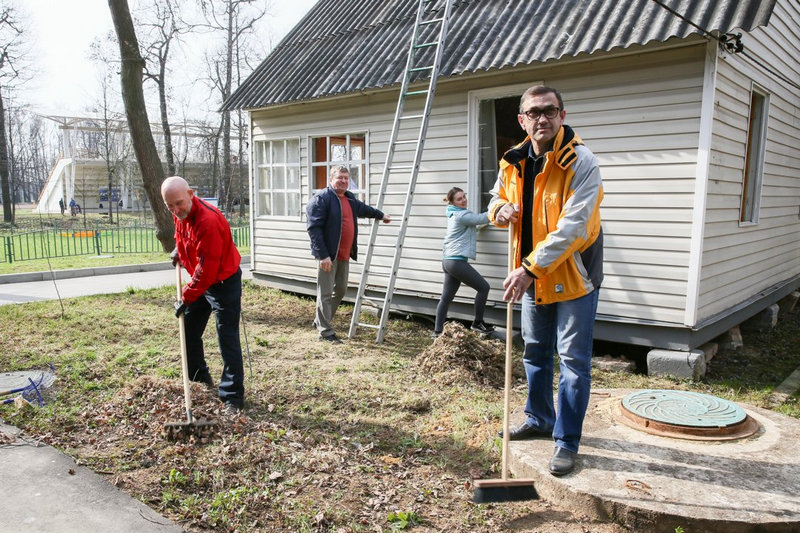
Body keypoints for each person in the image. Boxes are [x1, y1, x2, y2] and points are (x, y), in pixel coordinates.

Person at [489, 85, 603, 476]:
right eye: (534, 112)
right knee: (535, 352)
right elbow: (494, 198)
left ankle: (566, 442)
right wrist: (500, 209)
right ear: (522, 120)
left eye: (549, 111)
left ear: (562, 115)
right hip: (533, 278)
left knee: (573, 361)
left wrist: (528, 269)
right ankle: (539, 418)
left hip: (573, 279)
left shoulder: (580, 161)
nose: (542, 119)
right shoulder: (513, 161)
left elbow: (573, 228)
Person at [161, 176, 245, 414]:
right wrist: (179, 249)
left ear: (191, 193)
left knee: (226, 339)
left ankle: (232, 397)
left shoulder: (208, 220)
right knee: (188, 330)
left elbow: (207, 270)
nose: (175, 210)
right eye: (170, 206)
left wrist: (185, 297)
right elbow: (183, 232)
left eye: (179, 203)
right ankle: (199, 380)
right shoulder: (180, 211)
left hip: (223, 282)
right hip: (203, 282)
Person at [306, 165, 391, 343]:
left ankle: (321, 320)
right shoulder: (322, 198)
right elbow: (314, 229)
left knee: (341, 290)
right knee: (326, 293)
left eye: (346, 178)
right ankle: (325, 332)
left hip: (344, 254)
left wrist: (380, 215)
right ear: (331, 179)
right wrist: (323, 255)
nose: (344, 181)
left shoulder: (349, 198)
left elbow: (363, 209)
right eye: (340, 178)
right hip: (328, 255)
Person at [433, 187, 494, 337]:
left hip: (448, 261)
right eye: (459, 199)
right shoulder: (462, 215)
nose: (463, 200)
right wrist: (498, 209)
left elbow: (475, 225)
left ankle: (437, 332)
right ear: (453, 202)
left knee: (446, 298)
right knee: (483, 288)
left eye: (464, 196)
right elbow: (480, 218)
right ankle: (478, 323)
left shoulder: (454, 214)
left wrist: (483, 223)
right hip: (455, 261)